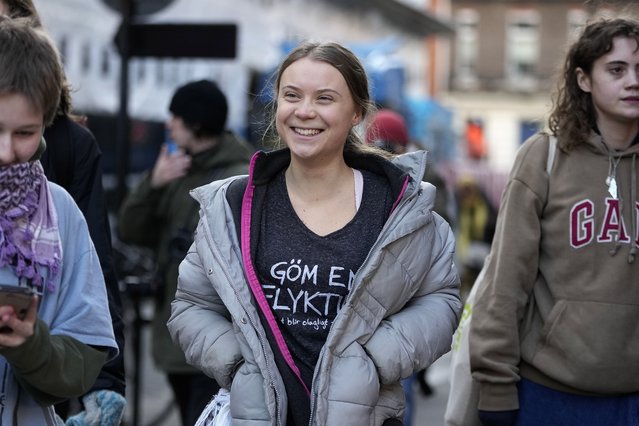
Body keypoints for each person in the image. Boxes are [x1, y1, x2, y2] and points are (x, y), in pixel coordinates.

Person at [167, 40, 462, 425]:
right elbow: (191, 306)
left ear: (356, 111)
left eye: (324, 98)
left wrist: (374, 360)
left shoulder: (400, 208)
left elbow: (440, 301)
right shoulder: (233, 205)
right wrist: (240, 364)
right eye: (292, 95)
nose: (304, 111)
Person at [469, 17, 639, 426]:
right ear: (583, 79)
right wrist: (495, 384)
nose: (633, 81)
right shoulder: (543, 157)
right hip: (547, 393)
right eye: (616, 69)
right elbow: (506, 280)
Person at [0, 1, 127, 423]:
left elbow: (78, 361)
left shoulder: (61, 211)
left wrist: (28, 343)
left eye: (24, 133)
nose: (6, 153)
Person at [117, 79, 253, 425]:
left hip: (217, 338)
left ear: (196, 122)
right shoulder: (177, 169)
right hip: (176, 338)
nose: (169, 124)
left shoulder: (237, 177)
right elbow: (131, 230)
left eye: (176, 116)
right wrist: (154, 183)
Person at [365, 108, 454, 424]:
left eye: (390, 146)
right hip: (370, 318)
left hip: (402, 311)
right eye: (380, 145)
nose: (385, 153)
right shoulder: (358, 178)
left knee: (398, 395)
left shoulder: (424, 182)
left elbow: (439, 243)